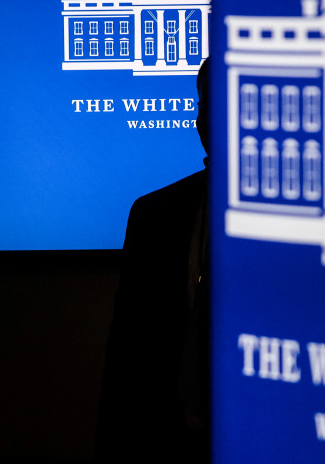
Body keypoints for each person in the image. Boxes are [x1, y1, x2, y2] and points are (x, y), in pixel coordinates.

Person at [95, 57, 212, 463]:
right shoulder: (154, 214)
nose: (209, 120)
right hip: (168, 438)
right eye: (206, 107)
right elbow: (128, 347)